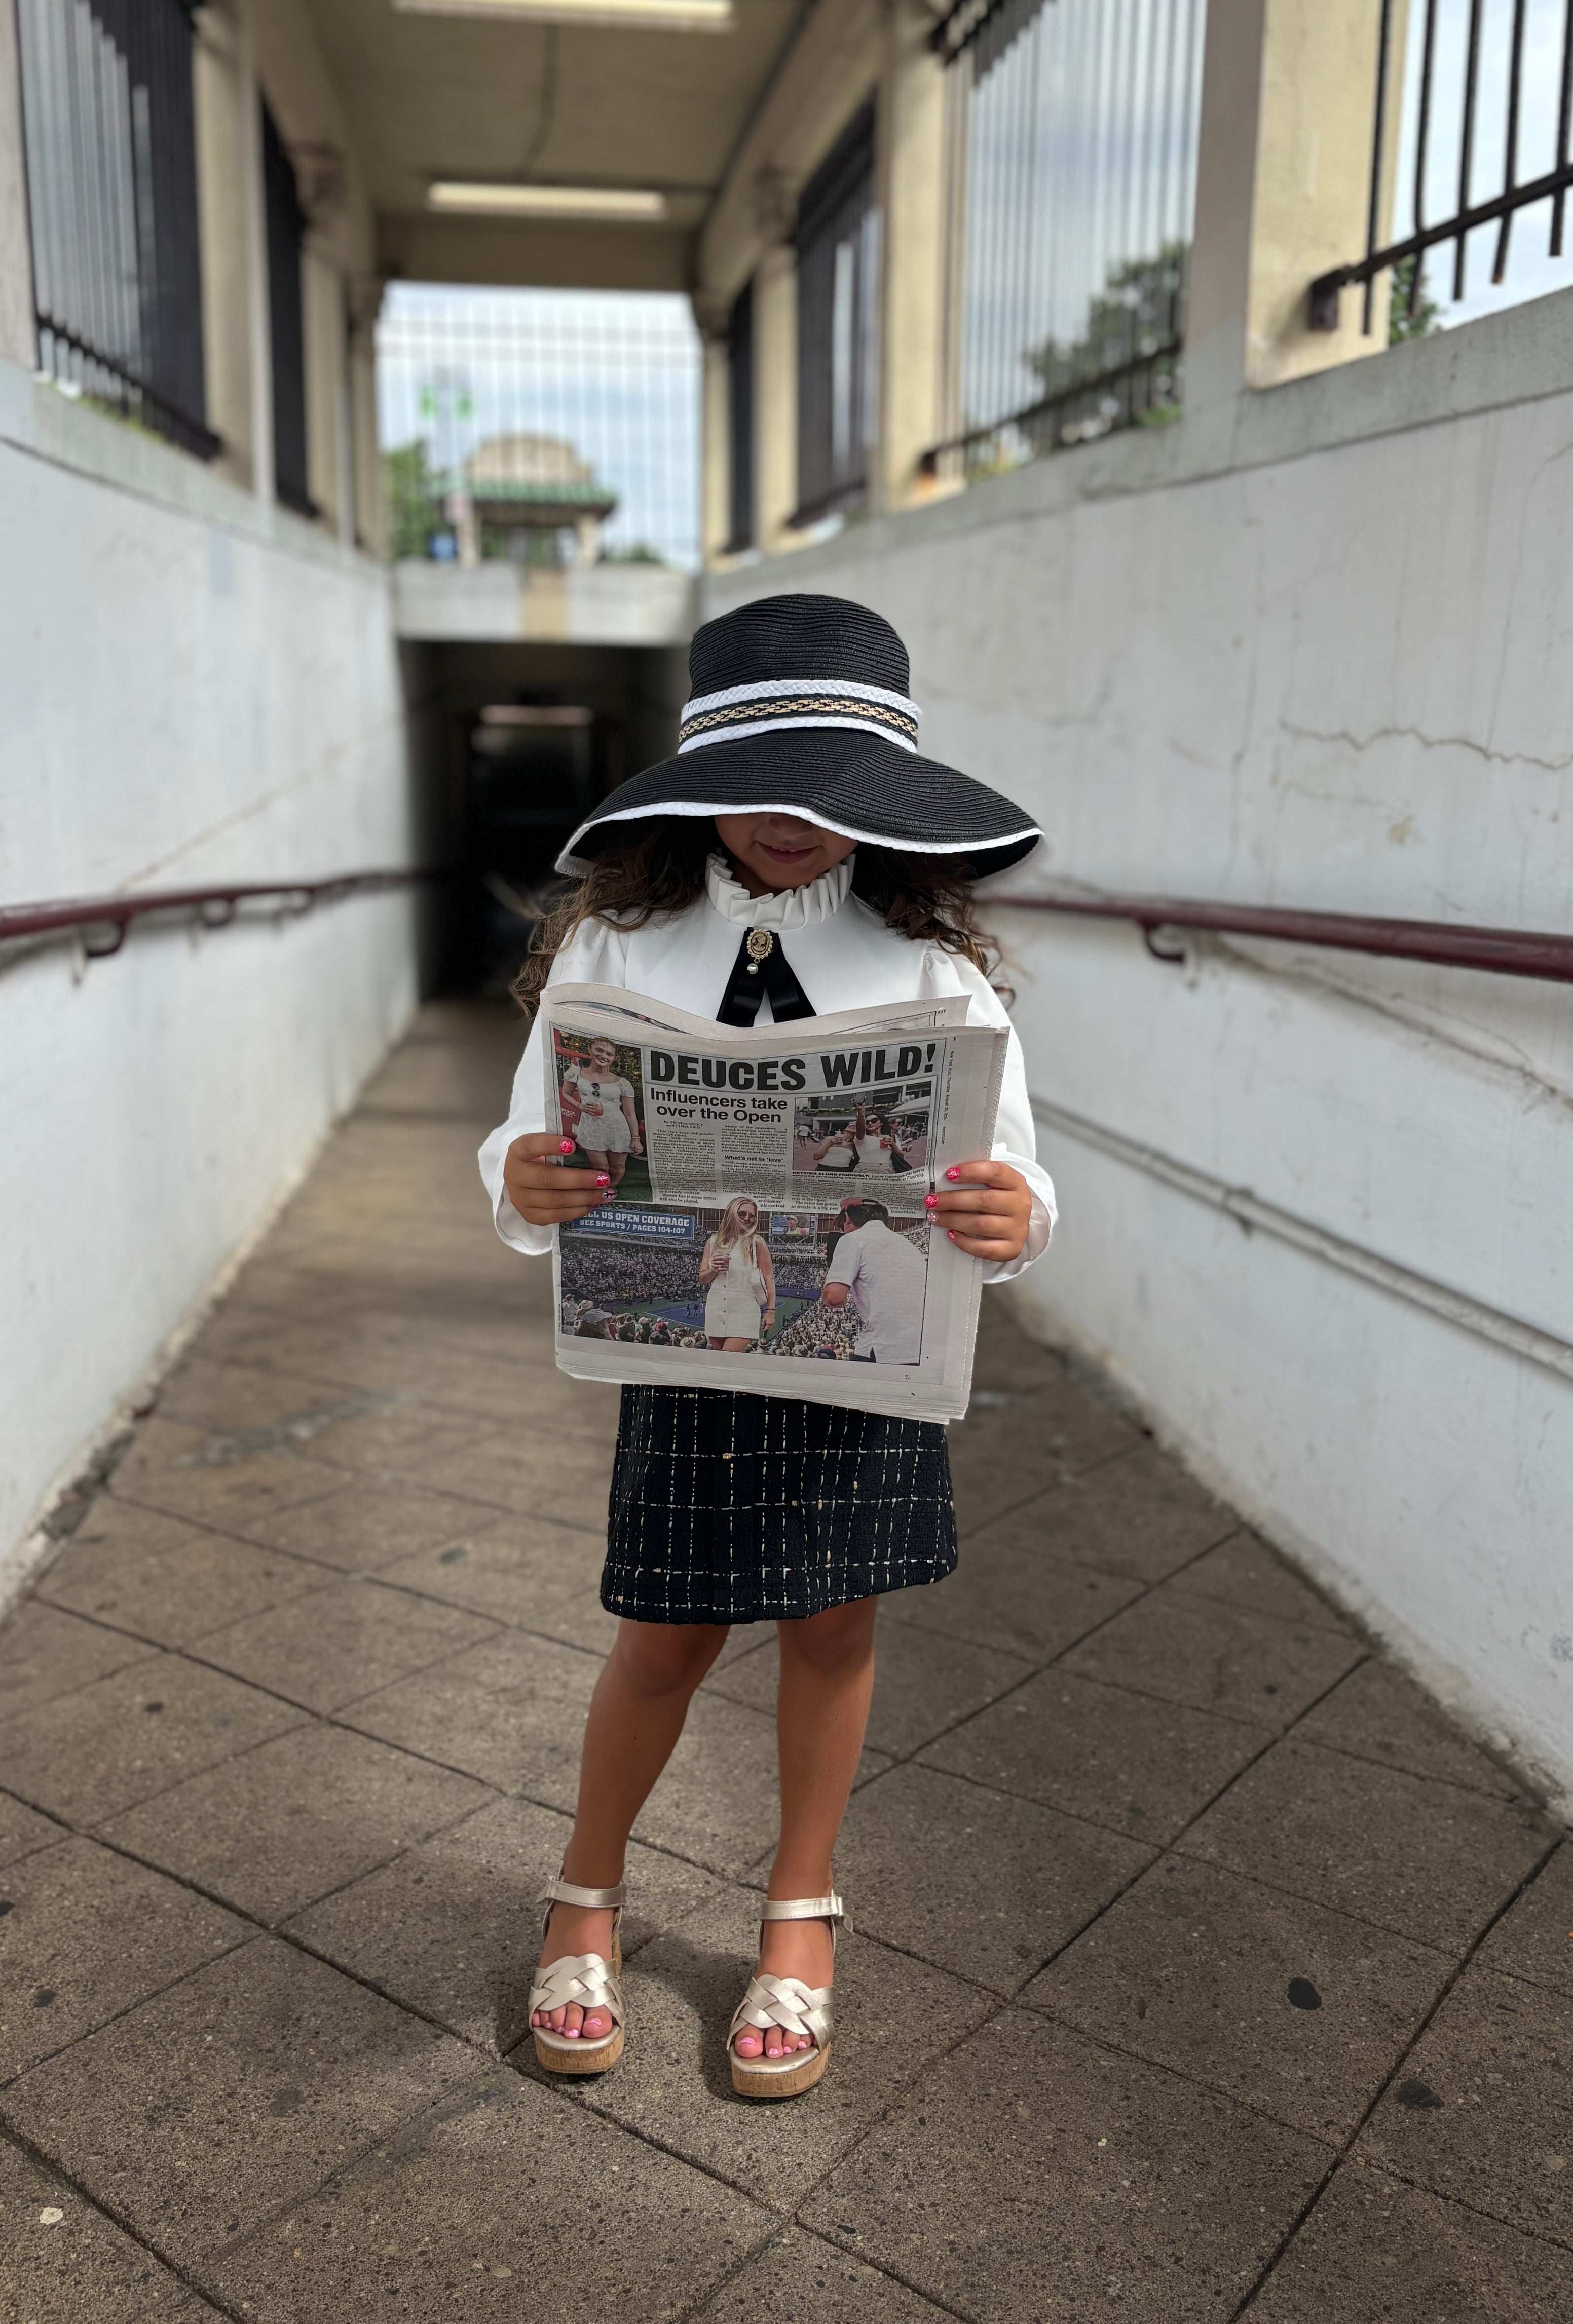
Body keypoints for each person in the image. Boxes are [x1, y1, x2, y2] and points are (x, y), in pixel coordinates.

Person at [479, 591, 1056, 2102]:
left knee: (835, 1627)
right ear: (692, 791)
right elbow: (525, 1135)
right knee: (662, 1631)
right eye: (762, 782)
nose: (794, 818)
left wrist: (1013, 1211)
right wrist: (524, 1181)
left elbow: (1019, 1169)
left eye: (831, 787)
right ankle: (582, 1892)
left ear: (884, 803)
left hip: (866, 1359)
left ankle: (799, 1914)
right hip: (692, 1350)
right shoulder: (616, 943)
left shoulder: (935, 972)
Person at [820, 1199, 926, 1364]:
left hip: (883, 1349)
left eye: (842, 1225)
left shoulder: (853, 1239)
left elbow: (834, 1298)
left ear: (847, 1218)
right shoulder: (909, 1245)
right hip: (919, 1350)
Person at [560, 1035, 640, 1188]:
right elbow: (566, 1094)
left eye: (609, 1054)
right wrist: (580, 1106)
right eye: (599, 1050)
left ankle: (611, 1189)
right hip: (591, 1127)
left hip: (618, 1128)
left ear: (614, 1058)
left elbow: (630, 1113)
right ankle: (600, 1190)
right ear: (590, 1050)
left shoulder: (622, 1083)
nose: (603, 1056)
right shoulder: (576, 1072)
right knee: (601, 1167)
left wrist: (635, 1139)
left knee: (618, 1167)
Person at [700, 1196, 774, 1352]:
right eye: (742, 1214)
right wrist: (713, 1269)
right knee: (716, 1360)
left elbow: (769, 1278)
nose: (748, 1219)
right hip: (716, 1307)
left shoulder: (757, 1242)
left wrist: (771, 1311)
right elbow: (703, 1279)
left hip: (745, 1310)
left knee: (728, 1359)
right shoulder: (713, 1241)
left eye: (752, 1216)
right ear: (732, 1213)